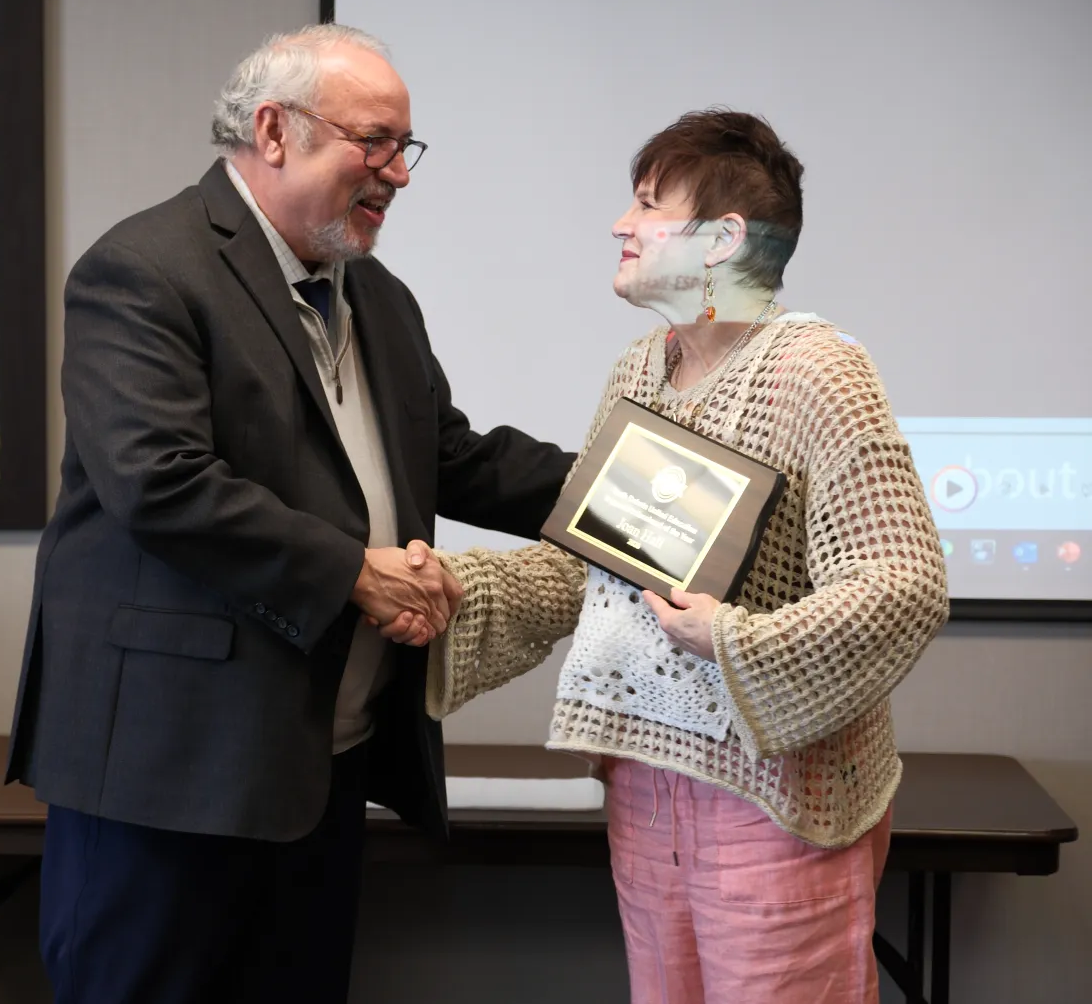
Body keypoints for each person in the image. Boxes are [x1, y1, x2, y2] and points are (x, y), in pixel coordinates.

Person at [3, 23, 575, 1004]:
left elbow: (455, 459)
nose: (397, 173)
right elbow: (160, 480)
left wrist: (655, 504)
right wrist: (355, 570)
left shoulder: (378, 297)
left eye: (406, 148)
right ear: (274, 131)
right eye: (375, 142)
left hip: (318, 770)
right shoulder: (143, 269)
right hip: (168, 772)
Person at [405, 109, 950, 1004]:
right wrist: (451, 586)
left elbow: (902, 583)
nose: (622, 223)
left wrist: (729, 638)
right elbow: (598, 568)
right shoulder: (637, 369)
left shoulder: (817, 370)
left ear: (723, 239)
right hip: (646, 791)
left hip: (776, 802)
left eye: (649, 203)